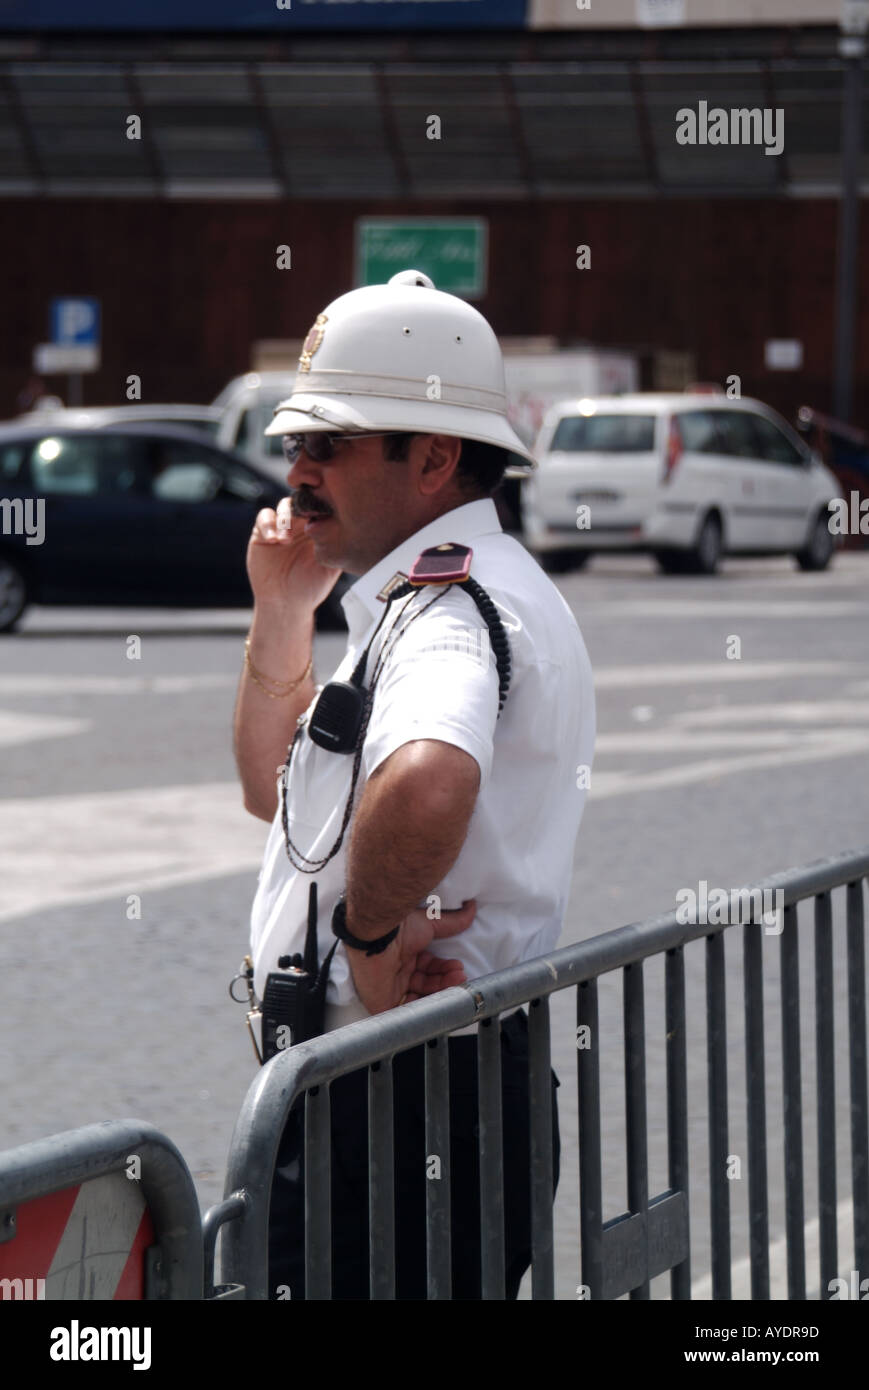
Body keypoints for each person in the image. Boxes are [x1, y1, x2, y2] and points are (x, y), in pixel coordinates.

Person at [232, 269, 596, 1300]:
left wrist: (368, 935)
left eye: (326, 445)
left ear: (432, 457)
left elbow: (431, 784)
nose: (297, 470)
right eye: (294, 446)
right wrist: (282, 613)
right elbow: (276, 796)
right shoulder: (431, 597)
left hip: (398, 1105)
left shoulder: (449, 609)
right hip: (422, 1093)